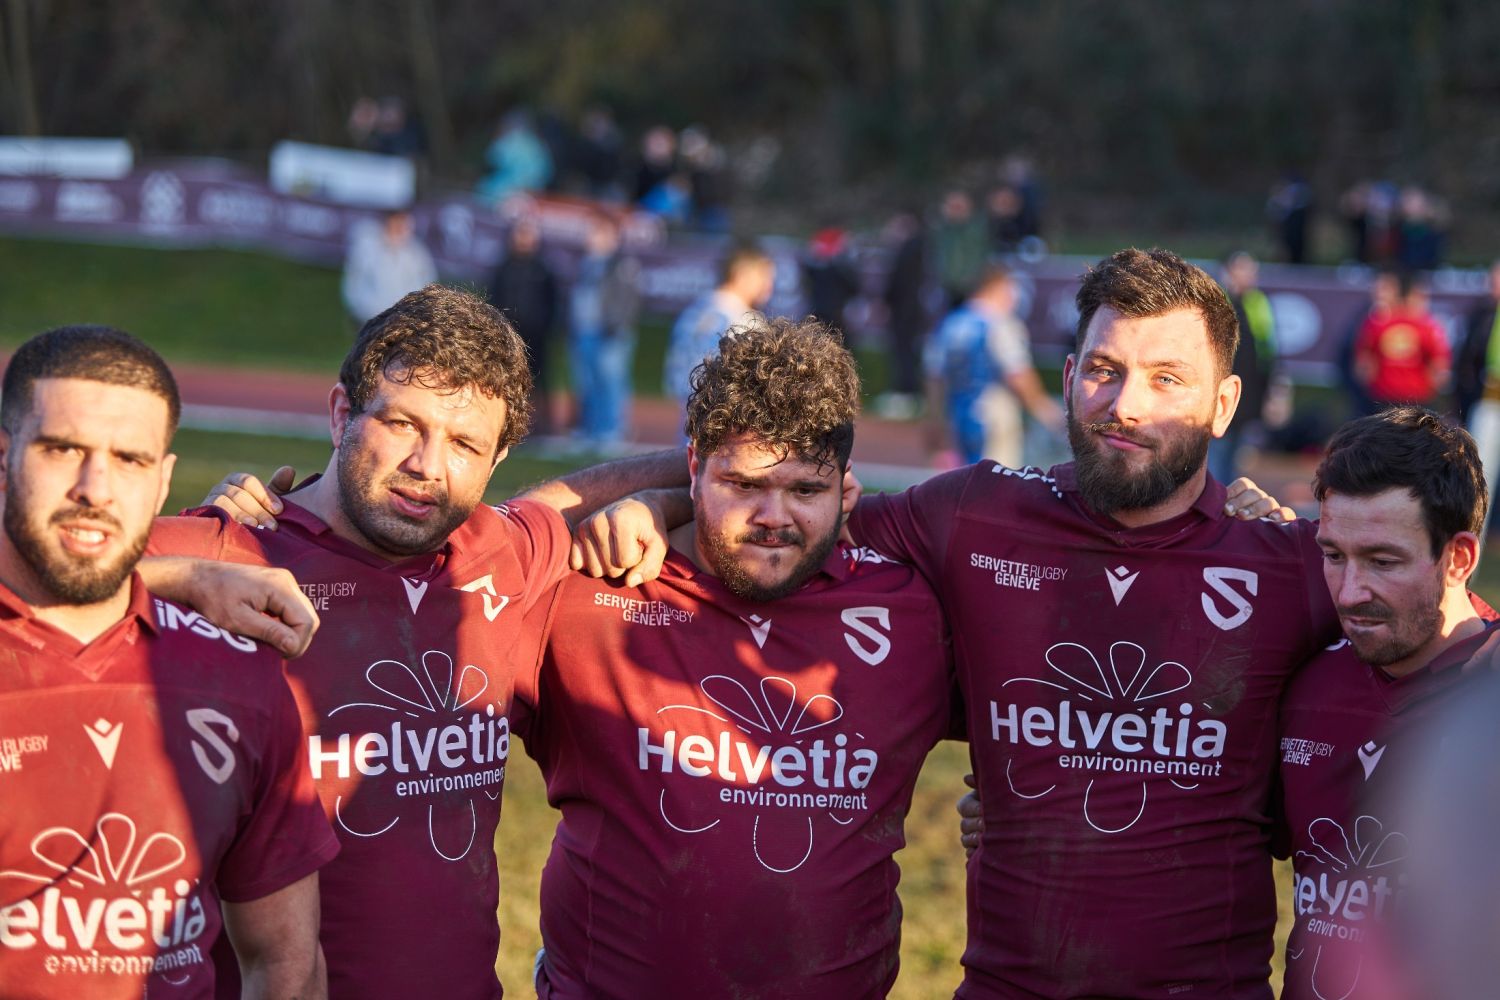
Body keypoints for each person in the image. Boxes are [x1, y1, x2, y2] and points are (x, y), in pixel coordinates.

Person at [154, 285, 688, 999]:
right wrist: (176, 574)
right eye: (403, 424)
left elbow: (586, 495)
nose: (428, 465)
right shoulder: (228, 554)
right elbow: (28, 577)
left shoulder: (497, 549)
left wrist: (661, 499)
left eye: (465, 444)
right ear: (341, 414)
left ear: (496, 460)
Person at [849, 248, 1339, 997]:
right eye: (1105, 371)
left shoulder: (1295, 563)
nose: (1126, 406)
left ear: (1224, 404)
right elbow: (786, 521)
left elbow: (1450, 635)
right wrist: (666, 501)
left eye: (1167, 379)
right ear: (1070, 375)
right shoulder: (976, 514)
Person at [521, 318, 955, 997]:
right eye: (744, 484)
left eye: (805, 490)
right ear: (695, 466)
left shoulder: (913, 612)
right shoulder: (593, 585)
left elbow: (1045, 729)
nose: (773, 517)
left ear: (845, 490)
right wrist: (657, 496)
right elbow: (489, 543)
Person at [0, 326, 338, 997]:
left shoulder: (241, 680)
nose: (95, 488)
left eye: (129, 459)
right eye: (63, 449)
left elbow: (286, 966)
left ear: (162, 482)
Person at [1276, 406, 1497, 1000]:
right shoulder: (1303, 683)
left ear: (1459, 558)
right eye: (1333, 555)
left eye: (1382, 561)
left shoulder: (1489, 704)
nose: (1351, 593)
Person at [925, 263, 1063, 467]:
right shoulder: (1000, 324)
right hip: (992, 415)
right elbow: (1017, 374)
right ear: (998, 287)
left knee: (965, 477)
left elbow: (935, 377)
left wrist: (934, 418)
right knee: (996, 479)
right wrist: (1044, 409)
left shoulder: (950, 323)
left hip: (959, 414)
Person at [663, 241, 775, 406]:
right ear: (742, 275)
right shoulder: (745, 321)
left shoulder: (693, 311)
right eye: (764, 277)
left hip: (690, 409)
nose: (768, 286)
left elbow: (674, 372)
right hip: (728, 412)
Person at [568, 216, 640, 448]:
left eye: (599, 233)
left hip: (610, 334)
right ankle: (590, 430)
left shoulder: (621, 265)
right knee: (587, 384)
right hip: (584, 332)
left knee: (611, 383)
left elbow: (630, 300)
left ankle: (612, 432)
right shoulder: (584, 263)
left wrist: (616, 326)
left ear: (613, 238)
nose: (592, 238)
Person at [1210, 251, 1279, 484]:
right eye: (1242, 269)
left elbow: (1267, 349)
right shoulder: (1216, 301)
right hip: (1219, 393)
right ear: (1227, 271)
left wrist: (1272, 390)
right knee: (1217, 451)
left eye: (1251, 270)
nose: (1248, 275)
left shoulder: (1257, 303)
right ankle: (1214, 498)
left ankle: (1227, 498)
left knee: (1236, 455)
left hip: (1249, 395)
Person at [489, 217, 560, 434]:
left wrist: (547, 326)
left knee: (540, 379)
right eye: (520, 234)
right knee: (507, 379)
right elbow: (493, 300)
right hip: (509, 335)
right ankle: (507, 424)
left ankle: (542, 425)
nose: (524, 239)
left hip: (536, 336)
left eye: (528, 235)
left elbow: (553, 302)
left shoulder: (543, 269)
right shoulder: (503, 267)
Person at [1353, 270, 1451, 413]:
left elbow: (1439, 364)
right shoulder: (1377, 322)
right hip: (1386, 398)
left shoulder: (1426, 326)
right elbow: (1364, 360)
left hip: (1415, 399)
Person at [341, 208, 438, 325]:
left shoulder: (417, 252)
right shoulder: (367, 247)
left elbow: (426, 283)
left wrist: (413, 310)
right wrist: (360, 309)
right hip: (370, 315)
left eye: (404, 226)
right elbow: (354, 281)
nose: (401, 230)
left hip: (403, 318)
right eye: (397, 225)